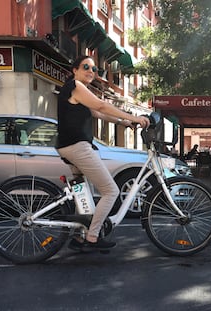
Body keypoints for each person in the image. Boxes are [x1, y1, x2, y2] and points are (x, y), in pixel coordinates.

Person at [56, 55, 150, 251]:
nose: (91, 71)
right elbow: (101, 105)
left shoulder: (78, 91)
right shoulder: (76, 86)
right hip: (77, 147)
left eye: (94, 69)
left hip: (69, 146)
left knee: (83, 191)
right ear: (75, 70)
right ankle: (92, 236)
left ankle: (79, 236)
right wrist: (134, 117)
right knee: (111, 191)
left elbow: (98, 113)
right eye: (86, 67)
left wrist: (123, 123)